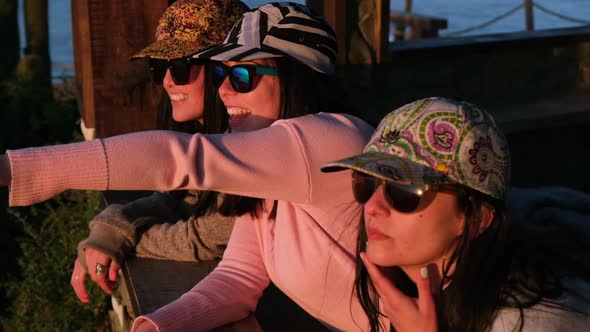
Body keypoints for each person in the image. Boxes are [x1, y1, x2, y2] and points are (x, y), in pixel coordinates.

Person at [0, 3, 374, 331]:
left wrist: (11, 168)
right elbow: (238, 276)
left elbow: (176, 158)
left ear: (297, 80)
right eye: (220, 73)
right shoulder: (270, 175)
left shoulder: (329, 142)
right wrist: (156, 325)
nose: (224, 89)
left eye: (242, 75)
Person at [321, 97, 590, 331]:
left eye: (403, 191)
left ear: (477, 219)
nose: (372, 207)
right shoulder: (414, 303)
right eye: (367, 183)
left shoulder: (529, 323)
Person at [69, 0, 249, 303]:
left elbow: (209, 238)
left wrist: (124, 241)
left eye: (179, 67)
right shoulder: (210, 137)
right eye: (160, 67)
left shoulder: (254, 145)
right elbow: (182, 200)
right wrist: (111, 225)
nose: (166, 81)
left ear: (226, 68)